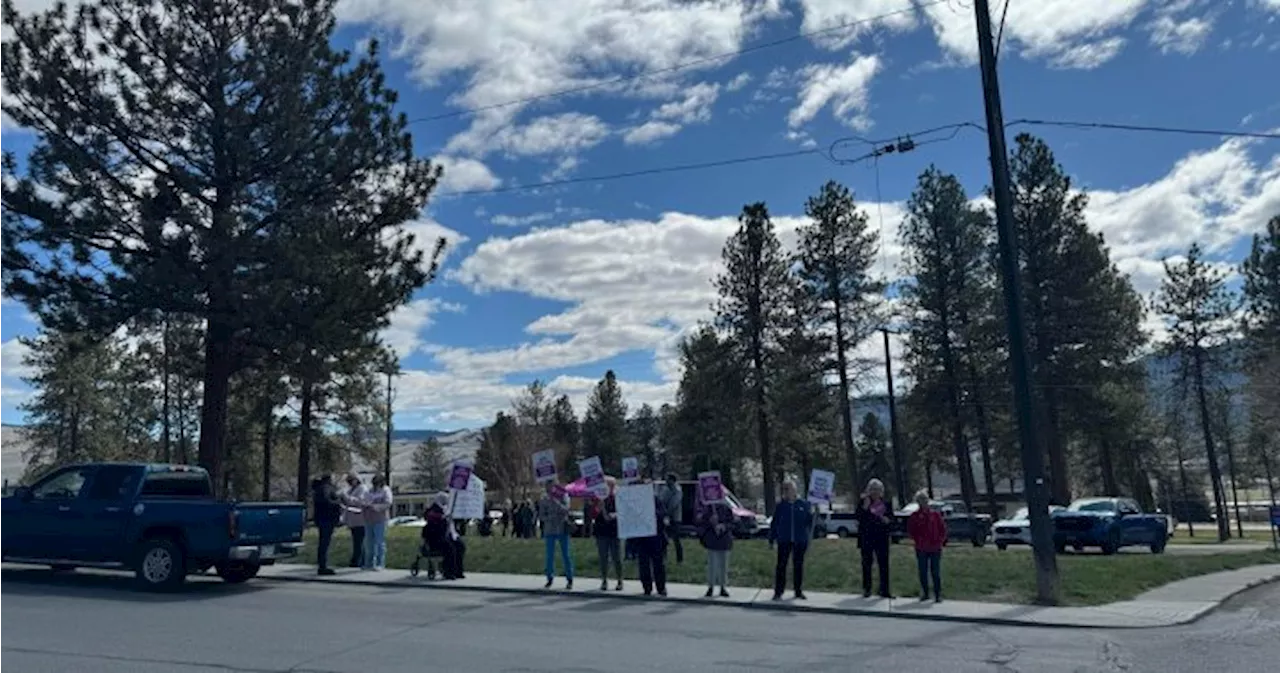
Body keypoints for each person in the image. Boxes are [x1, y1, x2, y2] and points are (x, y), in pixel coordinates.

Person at [768, 481, 812, 601]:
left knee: (798, 566)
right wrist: (771, 539)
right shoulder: (781, 506)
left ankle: (798, 591)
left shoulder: (804, 504)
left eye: (789, 489)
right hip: (784, 539)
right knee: (781, 566)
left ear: (795, 490)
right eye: (785, 489)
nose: (787, 491)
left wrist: (814, 514)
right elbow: (775, 523)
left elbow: (809, 522)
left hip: (799, 540)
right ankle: (778, 592)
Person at [854, 478, 894, 599]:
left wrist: (887, 520)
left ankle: (884, 590)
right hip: (867, 537)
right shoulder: (864, 501)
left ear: (881, 491)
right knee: (866, 564)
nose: (875, 492)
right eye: (872, 489)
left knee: (884, 564)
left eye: (877, 489)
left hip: (882, 538)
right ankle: (867, 589)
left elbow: (891, 519)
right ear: (868, 490)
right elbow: (858, 518)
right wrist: (865, 507)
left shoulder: (886, 503)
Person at [907, 489, 946, 602]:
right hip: (921, 547)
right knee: (923, 571)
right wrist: (917, 540)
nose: (923, 502)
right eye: (920, 500)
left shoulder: (935, 515)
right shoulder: (914, 516)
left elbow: (942, 529)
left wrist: (940, 541)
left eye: (924, 500)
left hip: (935, 547)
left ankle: (938, 594)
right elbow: (911, 530)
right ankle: (925, 593)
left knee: (935, 571)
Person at [538, 482, 574, 589]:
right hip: (550, 529)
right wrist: (550, 517)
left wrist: (556, 502)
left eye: (551, 485)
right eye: (547, 485)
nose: (548, 487)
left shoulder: (563, 495)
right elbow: (542, 515)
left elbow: (566, 509)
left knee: (566, 555)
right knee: (549, 555)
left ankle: (569, 578)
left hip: (562, 528)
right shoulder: (544, 498)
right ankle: (549, 577)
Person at [636, 485, 668, 597]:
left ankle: (661, 588)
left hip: (656, 537)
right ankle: (647, 587)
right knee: (643, 564)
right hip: (642, 538)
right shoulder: (637, 501)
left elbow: (663, 513)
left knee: (658, 564)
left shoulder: (656, 500)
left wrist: (652, 512)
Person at [699, 496, 734, 598]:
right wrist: (710, 521)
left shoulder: (726, 508)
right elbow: (702, 522)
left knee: (723, 566)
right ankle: (711, 587)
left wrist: (724, 526)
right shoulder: (709, 508)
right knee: (712, 566)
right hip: (712, 541)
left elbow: (733, 523)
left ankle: (723, 587)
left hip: (724, 541)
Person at [593, 477, 624, 591]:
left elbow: (620, 512)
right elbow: (594, 514)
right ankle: (604, 580)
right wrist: (598, 508)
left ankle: (620, 580)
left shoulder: (616, 498)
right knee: (603, 558)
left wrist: (611, 514)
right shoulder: (598, 498)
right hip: (601, 532)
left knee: (617, 557)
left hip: (614, 531)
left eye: (608, 485)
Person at [311, 475, 342, 576]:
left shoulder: (318, 490)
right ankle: (323, 566)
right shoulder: (326, 489)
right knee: (324, 543)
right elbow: (328, 502)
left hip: (321, 519)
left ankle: (322, 564)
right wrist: (338, 502)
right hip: (327, 519)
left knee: (323, 542)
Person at [361, 474, 393, 571]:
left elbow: (388, 503)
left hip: (380, 519)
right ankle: (369, 563)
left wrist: (376, 507)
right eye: (374, 483)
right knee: (369, 542)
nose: (375, 485)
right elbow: (364, 499)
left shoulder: (385, 490)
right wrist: (365, 504)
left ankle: (380, 563)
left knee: (379, 542)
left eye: (377, 483)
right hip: (369, 519)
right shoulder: (369, 491)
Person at [340, 473, 367, 568]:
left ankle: (360, 561)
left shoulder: (362, 489)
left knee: (360, 541)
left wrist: (347, 498)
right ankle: (356, 559)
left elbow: (360, 501)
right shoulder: (351, 490)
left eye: (351, 480)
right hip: (352, 520)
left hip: (360, 519)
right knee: (356, 541)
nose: (350, 483)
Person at [658, 474, 684, 564]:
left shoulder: (678, 490)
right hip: (665, 517)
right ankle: (663, 558)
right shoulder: (665, 490)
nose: (666, 481)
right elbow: (661, 500)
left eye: (668, 480)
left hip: (675, 518)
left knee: (676, 539)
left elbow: (674, 504)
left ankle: (679, 559)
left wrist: (667, 512)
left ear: (673, 480)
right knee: (663, 538)